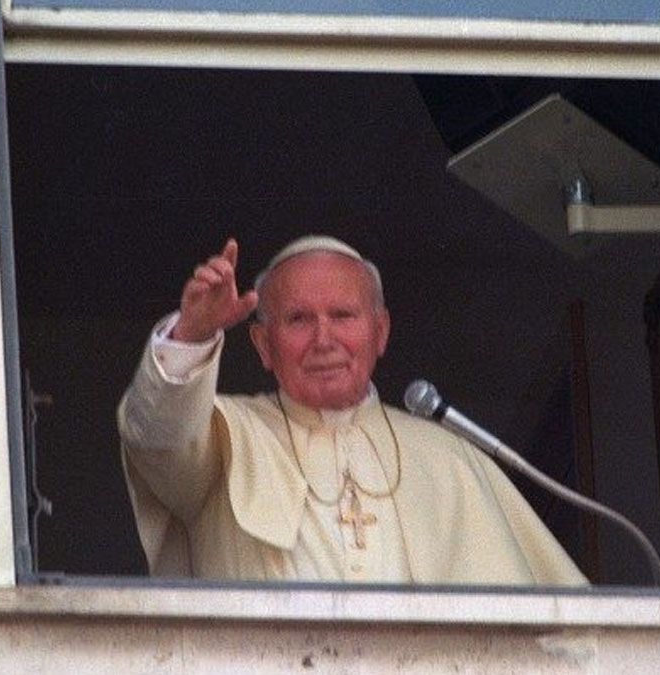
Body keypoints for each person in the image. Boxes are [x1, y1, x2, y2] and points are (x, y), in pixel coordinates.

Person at [118, 235, 587, 585]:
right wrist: (191, 337)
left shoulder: (448, 457)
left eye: (343, 316)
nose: (324, 339)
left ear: (380, 332)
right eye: (299, 319)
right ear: (263, 345)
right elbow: (156, 438)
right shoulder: (224, 436)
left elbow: (555, 628)